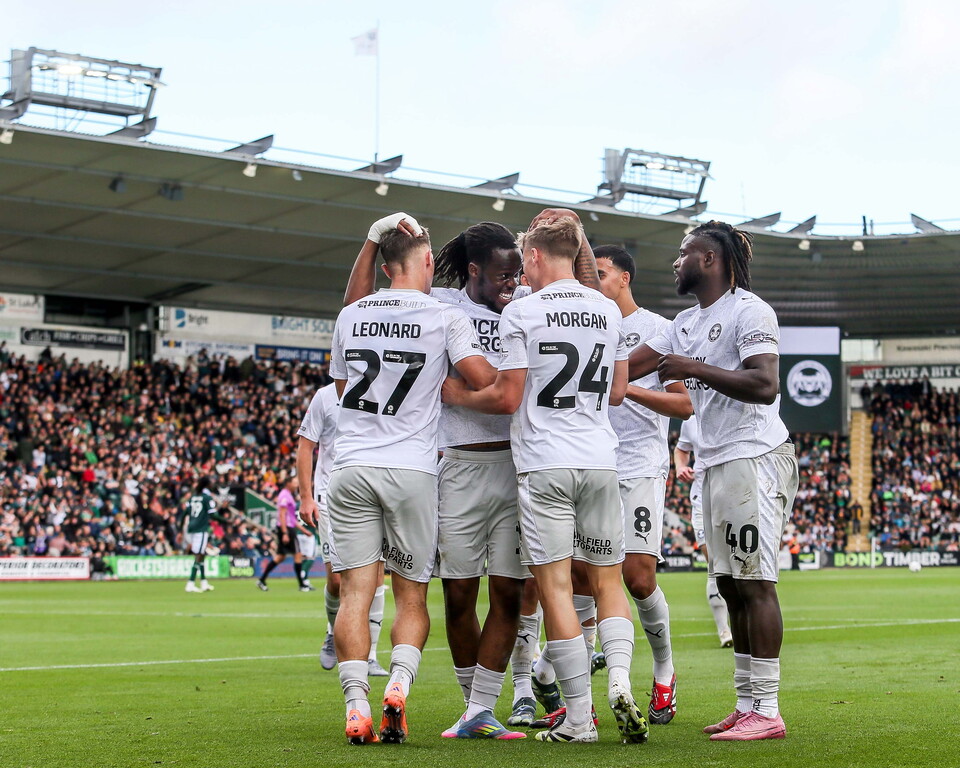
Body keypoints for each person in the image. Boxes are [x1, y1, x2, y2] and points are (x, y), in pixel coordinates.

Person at [443, 212, 648, 745]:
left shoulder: (522, 313)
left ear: (532, 257)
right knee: (606, 580)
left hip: (544, 463)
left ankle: (579, 719)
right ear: (577, 250)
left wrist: (455, 395)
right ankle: (622, 679)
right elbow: (620, 392)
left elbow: (507, 397)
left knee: (555, 589)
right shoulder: (607, 310)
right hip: (602, 458)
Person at [312, 217, 494, 746]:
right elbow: (483, 379)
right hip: (412, 469)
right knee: (411, 598)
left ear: (383, 266)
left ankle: (354, 705)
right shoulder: (443, 315)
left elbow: (344, 385)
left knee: (354, 596)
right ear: (428, 263)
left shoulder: (351, 316)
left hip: (349, 467)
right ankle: (397, 686)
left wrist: (369, 236)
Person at [627, 220, 799, 741]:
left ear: (710, 260)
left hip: (755, 455)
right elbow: (632, 365)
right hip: (716, 460)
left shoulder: (750, 310)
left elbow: (765, 384)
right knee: (728, 585)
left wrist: (691, 368)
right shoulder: (685, 322)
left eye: (685, 253)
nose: (677, 262)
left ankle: (767, 711)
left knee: (754, 583)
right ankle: (746, 704)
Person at [593, 245, 693, 725]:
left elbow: (683, 406)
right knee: (583, 578)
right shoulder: (588, 324)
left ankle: (664, 672)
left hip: (639, 465)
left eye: (602, 273)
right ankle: (574, 694)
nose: (594, 280)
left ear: (625, 277)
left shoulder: (656, 329)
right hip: (591, 466)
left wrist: (624, 385)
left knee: (638, 578)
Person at [296, 382, 388, 677]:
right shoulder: (324, 396)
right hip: (330, 496)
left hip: (376, 493)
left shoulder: (382, 387)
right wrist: (306, 497)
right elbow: (306, 445)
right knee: (337, 581)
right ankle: (332, 631)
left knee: (375, 576)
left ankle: (371, 654)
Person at [675, 413, 733, 647]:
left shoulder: (729, 409)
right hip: (701, 499)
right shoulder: (690, 418)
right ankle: (724, 631)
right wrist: (681, 467)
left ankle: (741, 620)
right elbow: (681, 449)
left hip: (732, 495)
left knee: (733, 565)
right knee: (714, 564)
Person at [256, 475, 308, 591]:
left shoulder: (289, 495)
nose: (297, 484)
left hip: (287, 528)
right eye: (295, 482)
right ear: (288, 483)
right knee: (298, 554)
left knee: (280, 556)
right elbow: (282, 515)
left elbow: (291, 517)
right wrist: (285, 532)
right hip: (286, 529)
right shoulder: (284, 495)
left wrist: (303, 530)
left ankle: (261, 580)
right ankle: (302, 585)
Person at [179, 476, 226, 593]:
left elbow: (185, 513)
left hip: (191, 528)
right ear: (207, 485)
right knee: (199, 555)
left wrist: (180, 529)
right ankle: (190, 583)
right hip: (201, 528)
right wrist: (226, 520)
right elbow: (213, 515)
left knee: (201, 555)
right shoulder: (207, 498)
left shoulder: (193, 497)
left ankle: (204, 583)